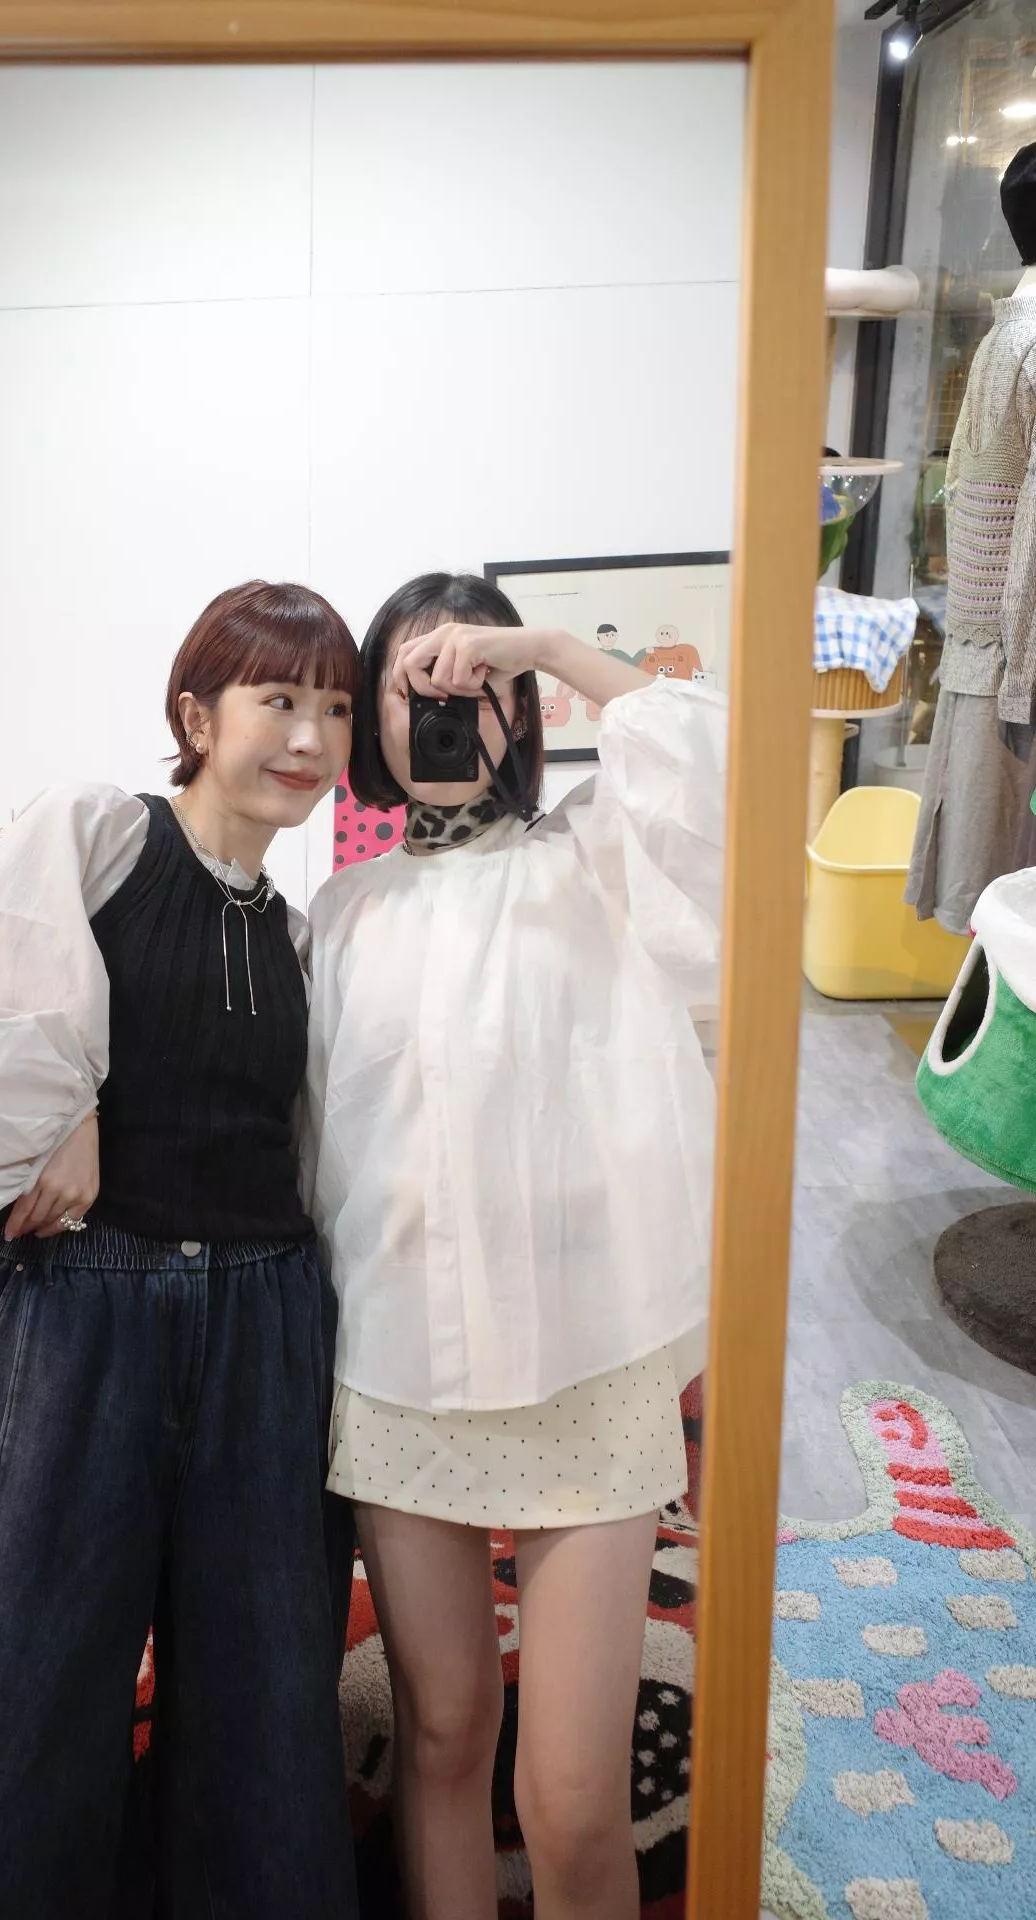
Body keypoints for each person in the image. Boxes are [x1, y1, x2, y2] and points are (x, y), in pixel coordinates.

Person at [0, 581, 361, 1920]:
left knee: (263, 1715)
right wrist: (63, 1104)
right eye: (278, 699)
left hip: (265, 1329)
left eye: (334, 708)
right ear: (196, 715)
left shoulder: (303, 937)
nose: (310, 737)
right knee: (18, 1693)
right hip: (81, 1311)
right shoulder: (99, 836)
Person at [302, 572, 726, 1920]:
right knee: (441, 1735)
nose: (444, 712)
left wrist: (536, 644)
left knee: (570, 1796)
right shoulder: (343, 917)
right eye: (412, 689)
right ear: (371, 722)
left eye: (475, 687)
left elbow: (714, 767)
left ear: (522, 710)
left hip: (589, 1366)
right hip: (397, 1373)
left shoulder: (595, 862)